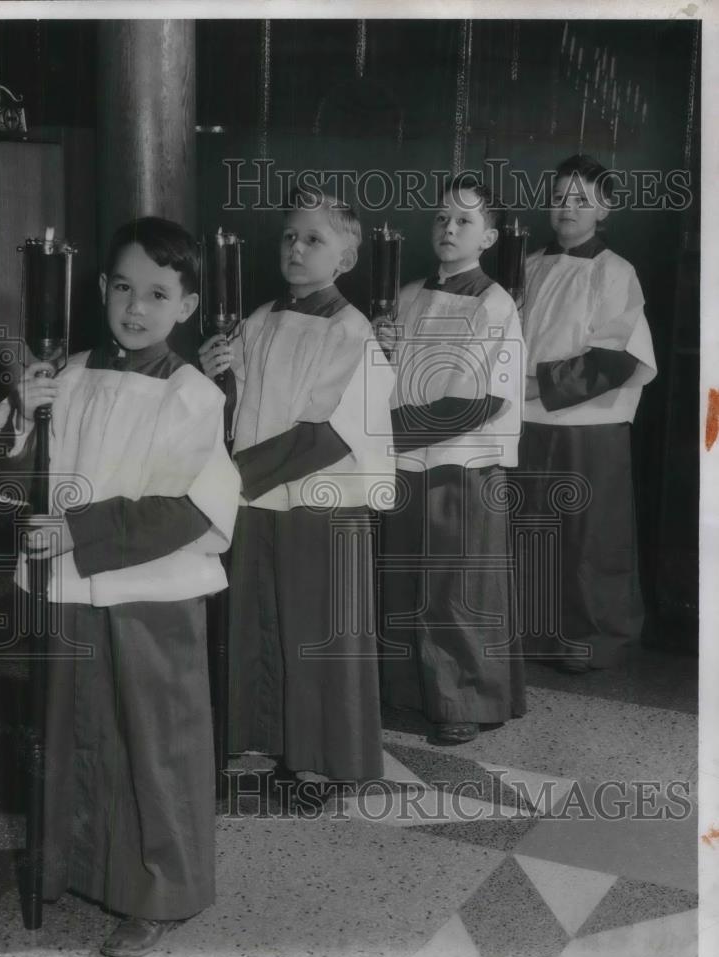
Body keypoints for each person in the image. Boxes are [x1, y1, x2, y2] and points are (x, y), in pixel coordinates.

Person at [0, 217, 240, 957]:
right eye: (123, 287)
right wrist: (23, 424)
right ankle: (88, 873)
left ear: (187, 307)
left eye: (158, 294)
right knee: (76, 733)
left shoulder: (193, 396)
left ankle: (163, 890)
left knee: (153, 743)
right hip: (70, 591)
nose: (136, 306)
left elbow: (190, 506)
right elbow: (3, 488)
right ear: (99, 290)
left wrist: (78, 530)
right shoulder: (62, 376)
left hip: (148, 596)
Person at [199, 189, 395, 803]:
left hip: (318, 497)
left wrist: (238, 475)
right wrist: (215, 374)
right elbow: (235, 412)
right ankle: (257, 736)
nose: (296, 247)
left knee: (317, 626)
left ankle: (323, 752)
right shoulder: (256, 320)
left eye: (314, 239)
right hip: (257, 497)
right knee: (257, 615)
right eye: (289, 236)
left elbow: (331, 429)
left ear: (346, 258)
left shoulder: (352, 330)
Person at [377, 178, 526, 745]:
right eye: (441, 219)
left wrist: (386, 436)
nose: (449, 229)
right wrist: (382, 346)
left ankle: (464, 698)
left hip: (461, 463)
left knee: (455, 586)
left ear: (488, 236)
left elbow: (482, 397)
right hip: (408, 463)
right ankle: (412, 691)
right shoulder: (410, 293)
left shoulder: (495, 303)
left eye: (464, 222)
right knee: (406, 580)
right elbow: (391, 375)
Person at [517, 153, 657, 673]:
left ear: (606, 208)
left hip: (587, 425)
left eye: (581, 199)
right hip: (527, 421)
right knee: (532, 529)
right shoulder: (526, 265)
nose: (567, 208)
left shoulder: (615, 271)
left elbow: (618, 355)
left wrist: (537, 386)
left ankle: (595, 639)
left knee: (588, 537)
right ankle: (532, 634)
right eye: (558, 198)